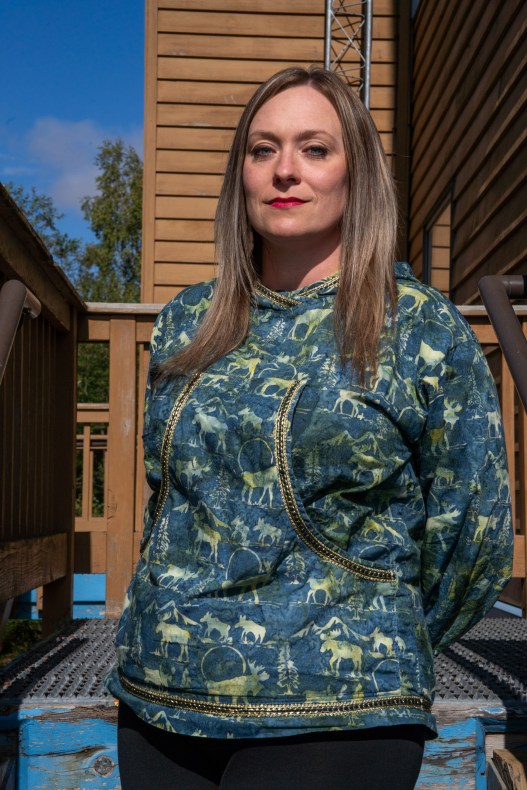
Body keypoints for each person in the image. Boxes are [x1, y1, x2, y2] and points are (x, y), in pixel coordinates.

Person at [107, 66, 513, 789]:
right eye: (261, 151)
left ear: (357, 174)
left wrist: (373, 628)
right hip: (161, 692)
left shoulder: (419, 328)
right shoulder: (183, 323)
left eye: (313, 149)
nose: (284, 170)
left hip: (340, 705)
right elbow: (170, 504)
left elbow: (471, 536)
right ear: (240, 177)